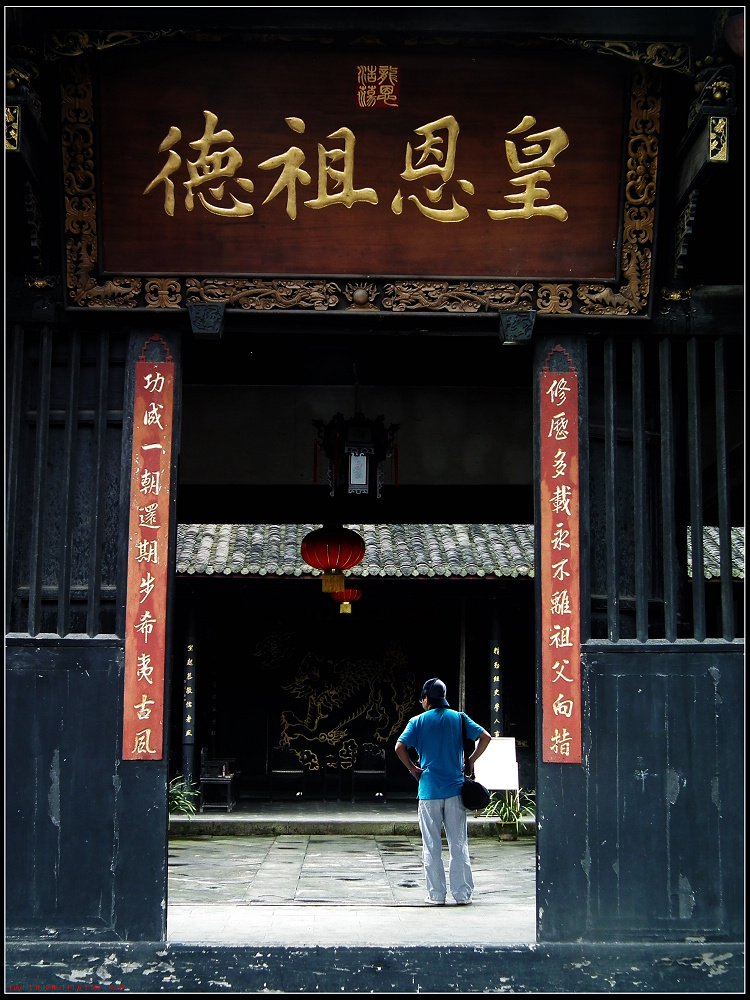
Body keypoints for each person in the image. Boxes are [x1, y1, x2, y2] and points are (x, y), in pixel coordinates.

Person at [395, 677, 492, 906]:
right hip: (456, 790)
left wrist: (413, 769)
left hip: (429, 791)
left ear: (426, 699)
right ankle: (462, 895)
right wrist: (470, 760)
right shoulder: (459, 718)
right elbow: (485, 737)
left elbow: (399, 747)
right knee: (458, 845)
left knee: (431, 846)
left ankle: (436, 895)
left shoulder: (417, 721)